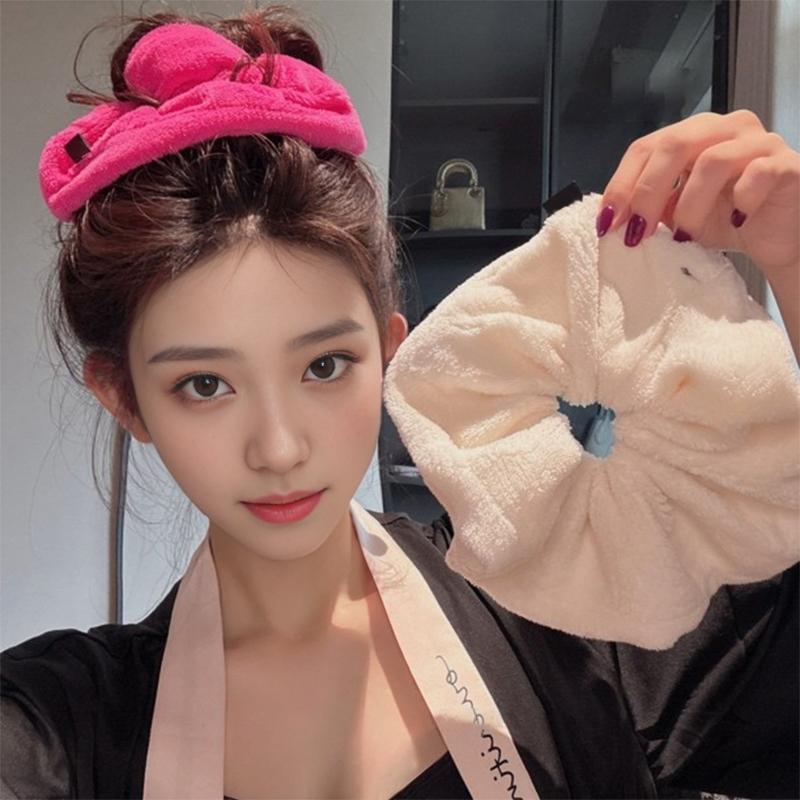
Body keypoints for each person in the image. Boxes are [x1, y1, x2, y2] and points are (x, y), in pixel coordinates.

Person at [2, 4, 798, 799]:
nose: (279, 448)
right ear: (125, 399)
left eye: (324, 366)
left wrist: (792, 256)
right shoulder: (62, 725)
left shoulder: (559, 592)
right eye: (205, 385)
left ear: (389, 351)